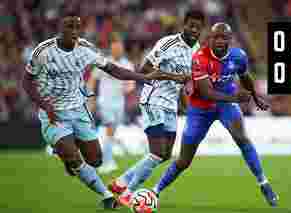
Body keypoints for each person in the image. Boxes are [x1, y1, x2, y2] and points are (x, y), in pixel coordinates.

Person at [22, 13, 186, 210]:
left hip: (79, 110)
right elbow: (27, 81)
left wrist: (143, 77)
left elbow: (114, 70)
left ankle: (67, 150)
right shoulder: (43, 51)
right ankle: (107, 195)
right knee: (76, 158)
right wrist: (44, 104)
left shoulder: (86, 49)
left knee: (95, 160)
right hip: (54, 113)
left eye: (77, 27)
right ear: (60, 28)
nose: (74, 31)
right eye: (69, 27)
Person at [152, 23, 279, 207]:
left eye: (224, 37)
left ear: (230, 39)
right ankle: (156, 191)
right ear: (209, 38)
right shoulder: (199, 58)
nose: (220, 40)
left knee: (242, 138)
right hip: (200, 109)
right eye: (216, 37)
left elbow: (245, 77)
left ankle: (264, 183)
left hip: (226, 105)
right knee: (184, 160)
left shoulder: (239, 56)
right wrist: (235, 97)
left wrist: (255, 96)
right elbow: (206, 93)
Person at [107, 9, 206, 206]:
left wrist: (185, 106)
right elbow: (144, 70)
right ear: (183, 24)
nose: (194, 30)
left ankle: (121, 182)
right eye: (191, 25)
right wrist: (172, 76)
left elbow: (184, 82)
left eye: (198, 27)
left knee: (166, 154)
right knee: (156, 152)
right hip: (153, 100)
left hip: (170, 105)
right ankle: (127, 194)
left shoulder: (197, 50)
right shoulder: (167, 43)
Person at [88, 32, 135, 174]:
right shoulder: (104, 62)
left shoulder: (128, 64)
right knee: (109, 128)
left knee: (112, 132)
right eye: (115, 48)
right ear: (111, 48)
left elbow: (131, 83)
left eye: (119, 48)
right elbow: (92, 80)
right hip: (105, 102)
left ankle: (103, 158)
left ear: (122, 49)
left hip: (119, 103)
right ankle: (106, 162)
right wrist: (91, 97)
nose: (117, 50)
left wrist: (129, 88)